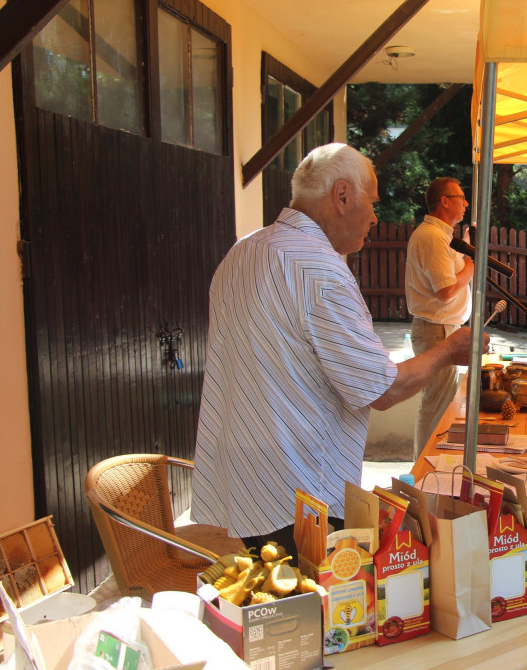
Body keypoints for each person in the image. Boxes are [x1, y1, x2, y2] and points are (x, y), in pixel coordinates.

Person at [191, 144, 486, 553]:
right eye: (371, 201)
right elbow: (382, 390)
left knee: (283, 601)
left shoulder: (244, 250)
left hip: (245, 477)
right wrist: (448, 351)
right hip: (299, 485)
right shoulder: (318, 267)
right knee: (328, 608)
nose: (374, 216)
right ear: (342, 195)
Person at [405, 178, 474, 455]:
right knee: (437, 405)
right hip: (437, 330)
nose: (466, 203)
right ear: (444, 200)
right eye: (461, 197)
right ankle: (424, 471)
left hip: (441, 329)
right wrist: (472, 262)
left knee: (440, 403)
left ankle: (428, 466)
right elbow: (446, 291)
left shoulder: (441, 236)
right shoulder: (433, 237)